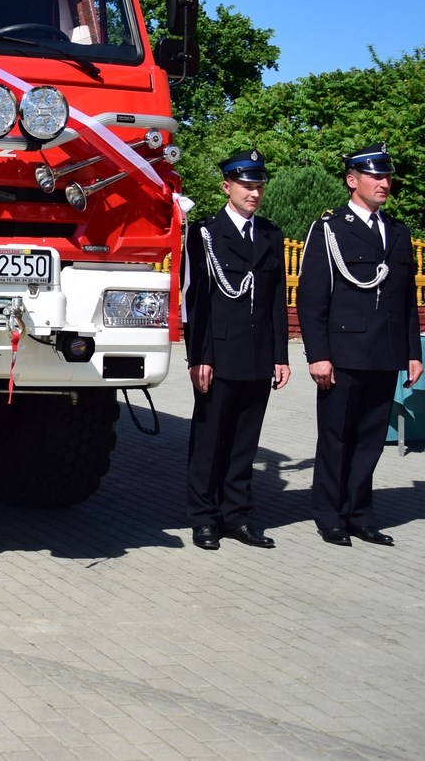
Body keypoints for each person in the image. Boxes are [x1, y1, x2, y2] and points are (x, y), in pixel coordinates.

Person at [297, 143, 423, 546]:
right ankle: (330, 516)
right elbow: (313, 297)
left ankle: (360, 514)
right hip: (344, 352)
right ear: (353, 181)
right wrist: (318, 354)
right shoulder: (331, 228)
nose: (384, 183)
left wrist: (412, 352)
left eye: (387, 177)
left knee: (370, 439)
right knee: (337, 437)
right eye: (375, 176)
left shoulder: (399, 232)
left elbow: (405, 301)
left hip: (385, 353)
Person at [180, 150, 289, 550]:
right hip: (219, 354)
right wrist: (199, 356)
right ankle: (204, 518)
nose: (254, 193)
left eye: (259, 185)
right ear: (227, 186)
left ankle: (237, 516)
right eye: (246, 185)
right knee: (210, 439)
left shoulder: (270, 235)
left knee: (245, 440)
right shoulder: (205, 233)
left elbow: (276, 299)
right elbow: (195, 301)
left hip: (259, 353)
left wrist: (280, 355)